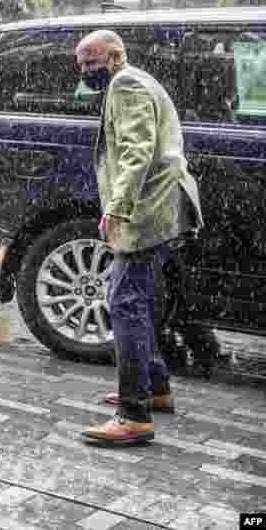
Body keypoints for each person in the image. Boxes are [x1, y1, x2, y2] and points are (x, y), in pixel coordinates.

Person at [75, 30, 203, 446]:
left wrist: (117, 206)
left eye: (91, 62)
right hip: (156, 207)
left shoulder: (126, 84)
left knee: (124, 303)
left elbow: (137, 150)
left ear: (114, 57)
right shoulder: (134, 80)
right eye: (80, 63)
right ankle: (155, 386)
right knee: (131, 296)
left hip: (147, 211)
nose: (84, 70)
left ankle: (134, 414)